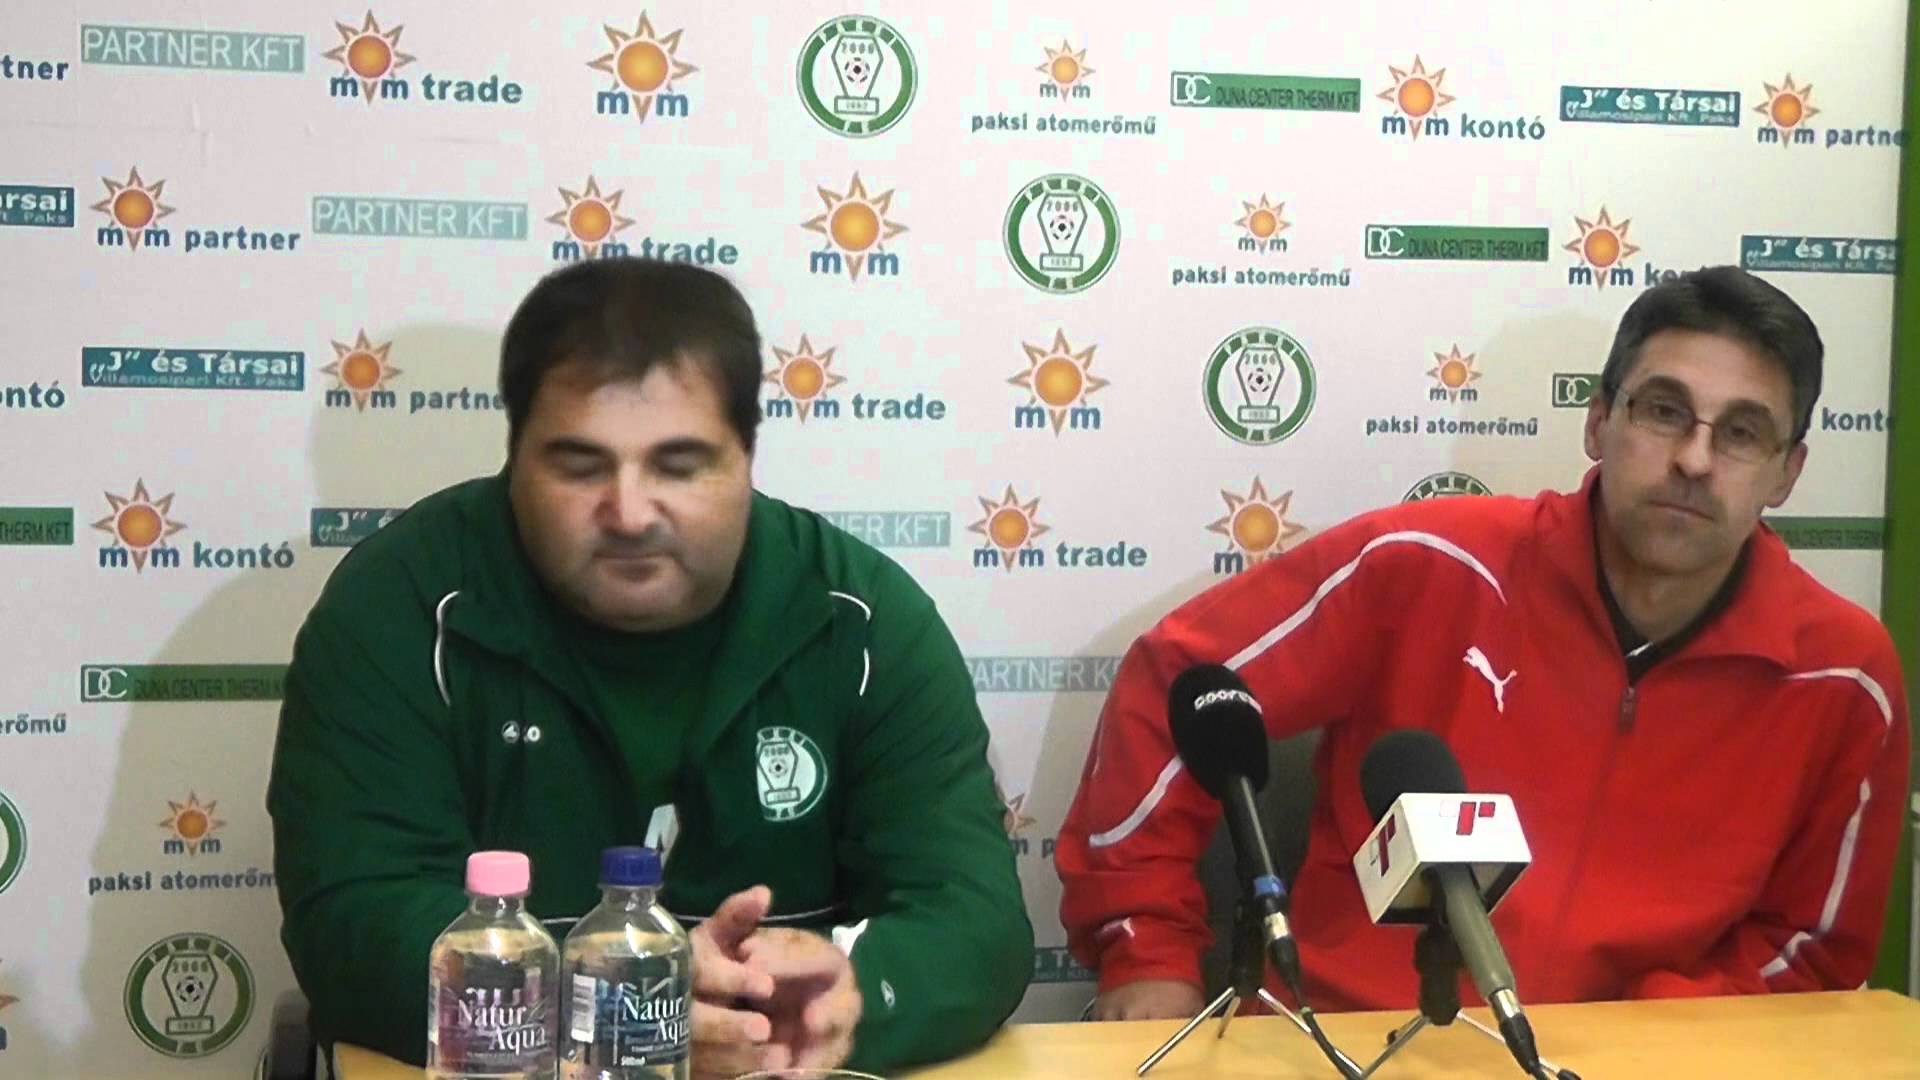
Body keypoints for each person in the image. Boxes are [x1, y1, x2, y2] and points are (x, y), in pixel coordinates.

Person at [1056, 265, 1911, 1020]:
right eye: (1664, 411)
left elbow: (1812, 948)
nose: (1694, 458)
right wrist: (1147, 949)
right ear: (1598, 422)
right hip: (1344, 1044)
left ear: (1788, 471)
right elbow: (1182, 679)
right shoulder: (1423, 566)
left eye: (1742, 432)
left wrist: (1650, 1034)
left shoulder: (1844, 676)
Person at [268, 259, 1032, 1075]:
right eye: (579, 465)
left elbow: (973, 921)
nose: (629, 514)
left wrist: (852, 996)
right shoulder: (401, 605)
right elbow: (351, 924)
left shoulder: (864, 620)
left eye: (678, 463)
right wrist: (610, 1008)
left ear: (747, 456)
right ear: (514, 456)